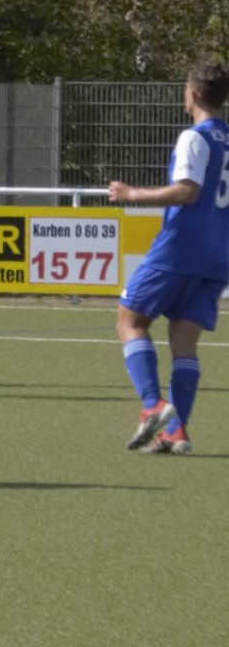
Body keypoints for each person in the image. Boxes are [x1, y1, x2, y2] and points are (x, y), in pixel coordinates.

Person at [107, 62, 229, 455]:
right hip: (218, 254)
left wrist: (132, 194)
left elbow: (187, 191)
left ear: (193, 94)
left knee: (130, 319)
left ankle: (152, 405)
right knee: (184, 340)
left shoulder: (195, 137)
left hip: (181, 247)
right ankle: (176, 433)